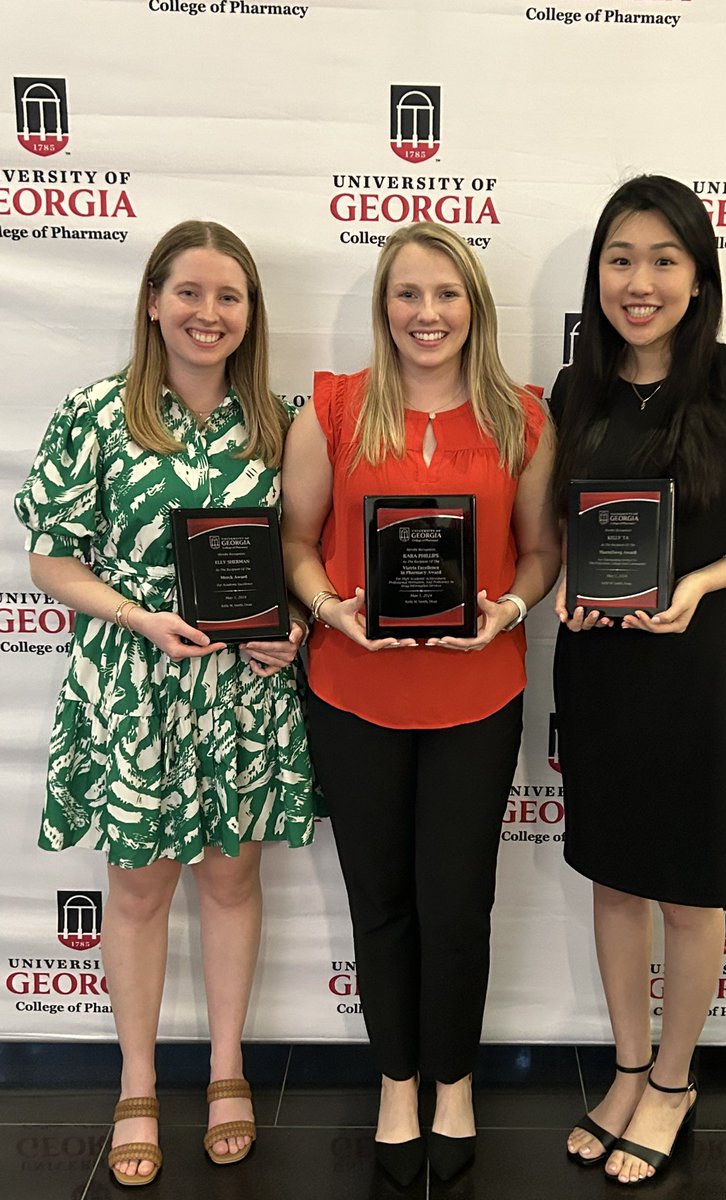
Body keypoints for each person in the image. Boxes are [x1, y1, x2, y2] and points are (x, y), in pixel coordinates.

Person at [15, 220, 318, 1186]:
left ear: (250, 315)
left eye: (229, 297)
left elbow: (308, 560)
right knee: (140, 889)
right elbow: (49, 558)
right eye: (190, 292)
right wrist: (137, 615)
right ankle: (136, 1079)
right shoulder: (97, 415)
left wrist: (295, 629)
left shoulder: (282, 422)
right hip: (137, 685)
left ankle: (228, 1067)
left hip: (242, 693)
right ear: (153, 301)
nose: (208, 313)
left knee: (232, 880)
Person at [551, 176, 726, 1185]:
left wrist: (706, 578)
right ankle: (627, 1068)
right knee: (616, 879)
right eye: (621, 258)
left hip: (703, 669)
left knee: (691, 890)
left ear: (699, 274)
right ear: (598, 274)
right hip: (601, 669)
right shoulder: (571, 389)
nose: (640, 281)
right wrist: (567, 595)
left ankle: (673, 1081)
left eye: (665, 259)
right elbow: (557, 539)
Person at [280, 221, 559, 1185]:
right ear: (383, 306)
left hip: (477, 695)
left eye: (447, 294)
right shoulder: (333, 411)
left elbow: (540, 551)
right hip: (353, 692)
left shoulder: (523, 417)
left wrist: (511, 609)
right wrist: (329, 610)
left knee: (458, 904)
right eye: (408, 294)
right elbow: (295, 544)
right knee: (382, 901)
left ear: (473, 305)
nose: (427, 313)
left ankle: (455, 1084)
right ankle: (397, 1082)